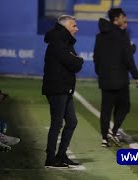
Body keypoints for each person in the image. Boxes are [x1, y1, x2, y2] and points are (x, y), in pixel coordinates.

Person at [93, 8, 138, 147]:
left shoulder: (100, 36)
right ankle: (113, 131)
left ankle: (104, 138)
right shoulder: (121, 35)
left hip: (105, 78)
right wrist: (136, 76)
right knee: (124, 106)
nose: (125, 18)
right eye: (123, 16)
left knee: (106, 109)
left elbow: (96, 57)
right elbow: (127, 58)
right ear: (116, 19)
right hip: (120, 79)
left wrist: (100, 73)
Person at [42, 15, 84, 168]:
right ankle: (50, 158)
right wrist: (79, 60)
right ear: (66, 27)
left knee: (72, 121)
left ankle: (61, 155)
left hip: (64, 87)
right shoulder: (59, 41)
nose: (77, 29)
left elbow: (72, 61)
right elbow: (72, 62)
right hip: (57, 88)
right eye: (74, 25)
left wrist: (76, 60)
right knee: (57, 123)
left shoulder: (63, 40)